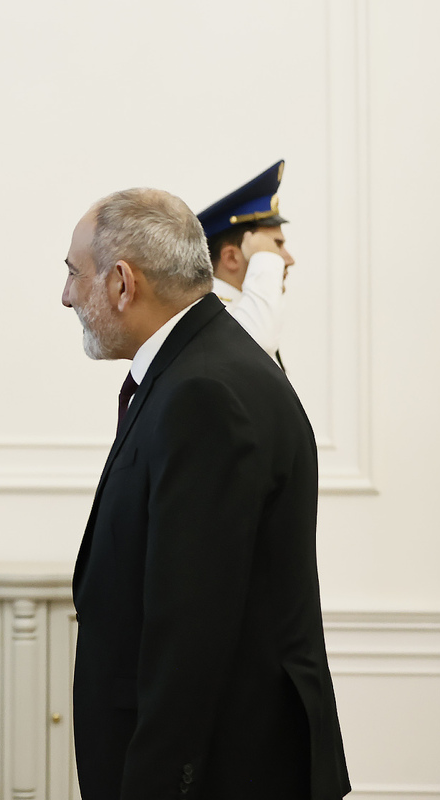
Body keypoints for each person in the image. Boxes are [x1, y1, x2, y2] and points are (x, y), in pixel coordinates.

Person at [61, 188, 349, 798]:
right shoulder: (202, 366)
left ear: (122, 283)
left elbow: (191, 628)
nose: (66, 296)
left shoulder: (203, 392)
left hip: (217, 772)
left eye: (73, 274)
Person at [197, 160, 296, 365]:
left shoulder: (241, 311)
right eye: (275, 245)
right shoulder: (209, 316)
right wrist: (265, 259)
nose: (289, 259)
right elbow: (255, 346)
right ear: (231, 258)